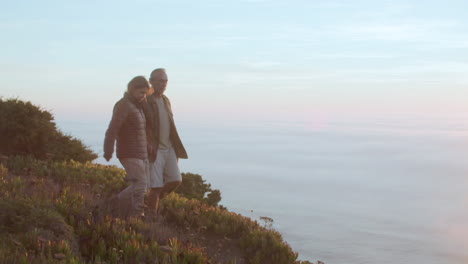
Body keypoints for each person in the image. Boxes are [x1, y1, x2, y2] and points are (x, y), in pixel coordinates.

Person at [103, 76, 151, 218]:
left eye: (145, 93)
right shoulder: (124, 105)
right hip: (129, 152)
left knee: (143, 185)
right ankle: (136, 215)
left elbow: (139, 130)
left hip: (141, 152)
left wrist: (148, 146)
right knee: (141, 184)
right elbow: (113, 128)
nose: (143, 96)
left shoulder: (137, 106)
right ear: (132, 89)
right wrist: (108, 150)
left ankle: (114, 204)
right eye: (141, 92)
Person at [146, 68, 188, 217]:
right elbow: (140, 125)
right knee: (155, 187)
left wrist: (175, 150)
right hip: (155, 150)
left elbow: (171, 125)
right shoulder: (145, 100)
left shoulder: (166, 100)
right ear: (151, 81)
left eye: (165, 81)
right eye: (160, 80)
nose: (163, 84)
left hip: (169, 148)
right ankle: (151, 217)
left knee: (176, 180)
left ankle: (151, 201)